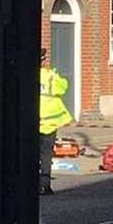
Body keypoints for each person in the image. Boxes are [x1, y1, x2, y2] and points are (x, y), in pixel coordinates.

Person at [38, 51, 73, 195]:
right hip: (49, 121)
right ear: (43, 61)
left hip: (34, 121)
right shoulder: (50, 76)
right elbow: (63, 87)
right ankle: (44, 186)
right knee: (46, 154)